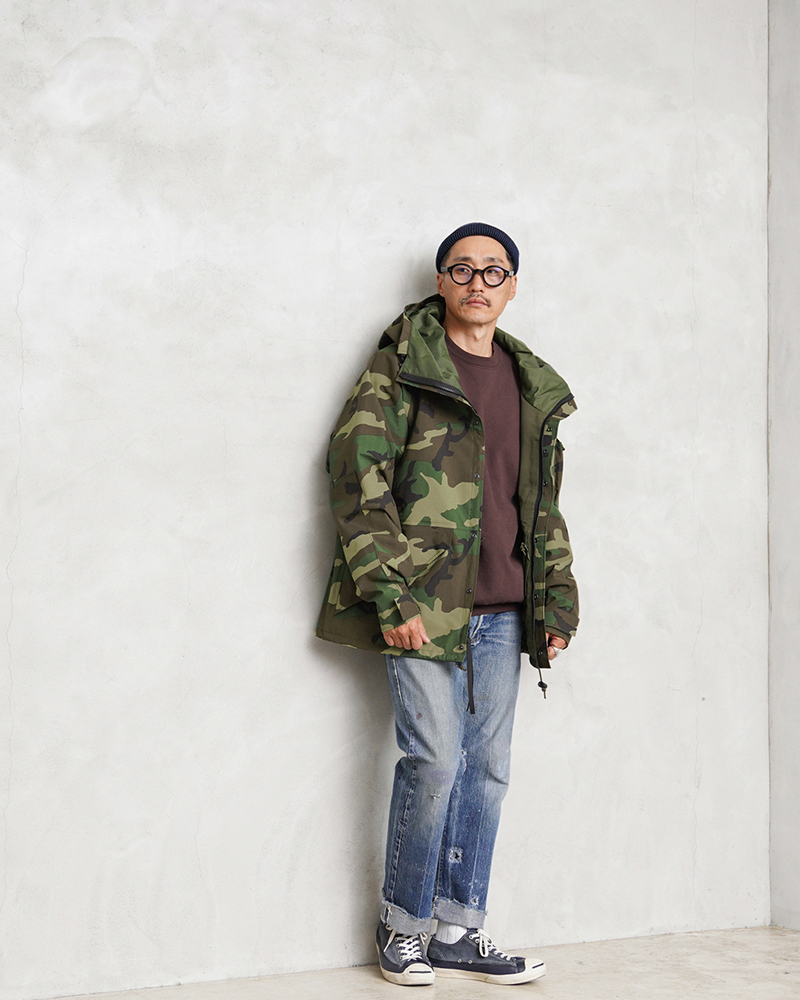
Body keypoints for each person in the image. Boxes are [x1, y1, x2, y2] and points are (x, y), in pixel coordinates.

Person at [316, 222, 579, 986]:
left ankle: (460, 927)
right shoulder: (403, 369)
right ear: (440, 282)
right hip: (422, 605)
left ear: (513, 286)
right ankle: (403, 927)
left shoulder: (529, 384)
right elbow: (356, 478)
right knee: (433, 762)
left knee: (487, 770)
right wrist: (390, 593)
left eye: (493, 271)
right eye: (461, 269)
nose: (477, 282)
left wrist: (554, 607)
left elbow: (541, 506)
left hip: (505, 606)